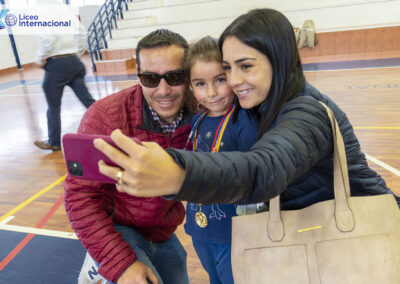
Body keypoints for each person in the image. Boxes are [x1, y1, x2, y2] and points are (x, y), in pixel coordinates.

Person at [93, 9, 400, 209]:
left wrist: (177, 173)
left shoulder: (307, 112)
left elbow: (263, 170)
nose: (235, 81)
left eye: (246, 66)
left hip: (364, 237)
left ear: (279, 60)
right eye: (229, 68)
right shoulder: (256, 103)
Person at [64, 29, 193, 284]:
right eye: (150, 78)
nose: (163, 90)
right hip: (118, 228)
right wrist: (120, 264)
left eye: (175, 76)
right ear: (138, 76)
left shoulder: (203, 113)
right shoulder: (104, 116)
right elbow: (80, 197)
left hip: (163, 230)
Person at [183, 36, 260, 284]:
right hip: (200, 227)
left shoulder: (244, 122)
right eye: (200, 84)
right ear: (191, 87)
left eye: (219, 80)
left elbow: (252, 181)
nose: (212, 92)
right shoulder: (197, 121)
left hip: (234, 233)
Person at [34, 0, 95, 151]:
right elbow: (82, 32)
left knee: (53, 106)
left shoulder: (40, 12)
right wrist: (76, 53)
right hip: (74, 62)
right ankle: (114, 125)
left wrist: (40, 58)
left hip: (56, 64)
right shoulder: (65, 9)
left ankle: (54, 142)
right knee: (87, 100)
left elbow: (47, 39)